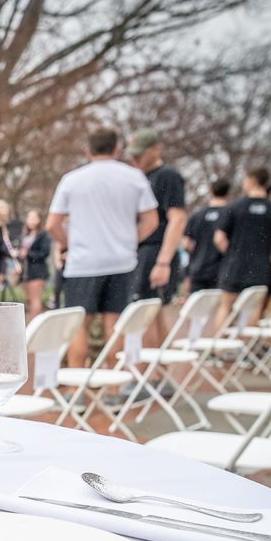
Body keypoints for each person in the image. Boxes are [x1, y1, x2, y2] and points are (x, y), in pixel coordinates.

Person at [45, 128, 158, 368]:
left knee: (78, 326)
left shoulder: (72, 179)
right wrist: (129, 241)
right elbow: (152, 221)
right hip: (121, 261)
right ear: (117, 149)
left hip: (83, 263)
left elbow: (52, 224)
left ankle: (76, 393)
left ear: (88, 151)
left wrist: (68, 242)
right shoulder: (134, 177)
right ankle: (112, 391)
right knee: (114, 326)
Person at [128, 128, 187, 347]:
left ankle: (152, 375)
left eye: (140, 153)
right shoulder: (140, 177)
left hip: (155, 252)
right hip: (141, 252)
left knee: (146, 313)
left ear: (155, 149)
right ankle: (158, 374)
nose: (135, 158)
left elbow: (177, 219)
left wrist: (163, 261)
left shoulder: (167, 176)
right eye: (132, 153)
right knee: (151, 313)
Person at [213, 167, 271, 331]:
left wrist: (232, 252)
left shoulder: (235, 207)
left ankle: (219, 350)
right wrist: (269, 254)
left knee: (226, 306)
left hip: (234, 265)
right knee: (254, 306)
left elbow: (219, 238)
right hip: (260, 267)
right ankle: (246, 350)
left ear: (252, 180)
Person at [182, 179, 230, 295]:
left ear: (211, 191)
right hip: (222, 270)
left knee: (198, 308)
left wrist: (200, 252)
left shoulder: (197, 215)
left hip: (198, 269)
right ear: (228, 193)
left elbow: (186, 244)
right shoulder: (230, 213)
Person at [19, 209, 52, 323]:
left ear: (39, 220)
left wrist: (28, 254)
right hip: (26, 271)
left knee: (35, 299)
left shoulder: (43, 236)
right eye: (29, 218)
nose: (32, 221)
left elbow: (44, 253)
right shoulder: (24, 236)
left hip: (38, 271)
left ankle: (36, 324)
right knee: (28, 299)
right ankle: (31, 323)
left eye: (34, 218)